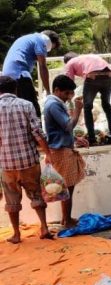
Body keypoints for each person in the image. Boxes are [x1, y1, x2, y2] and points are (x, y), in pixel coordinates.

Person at [0, 75, 54, 243]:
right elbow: (37, 132)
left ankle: (16, 234)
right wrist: (48, 154)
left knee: (12, 199)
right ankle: (44, 228)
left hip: (7, 163)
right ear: (15, 89)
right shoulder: (26, 105)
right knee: (36, 194)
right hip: (29, 161)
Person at [43, 75, 87, 228]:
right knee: (68, 187)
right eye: (67, 93)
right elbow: (68, 125)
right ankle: (67, 220)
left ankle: (66, 218)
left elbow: (62, 129)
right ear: (57, 90)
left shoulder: (54, 103)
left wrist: (75, 138)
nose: (69, 97)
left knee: (67, 187)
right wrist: (78, 110)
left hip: (62, 148)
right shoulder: (53, 105)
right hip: (61, 151)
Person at [63, 52, 111, 145]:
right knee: (107, 106)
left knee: (87, 107)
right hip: (108, 75)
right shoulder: (86, 57)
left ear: (66, 61)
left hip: (92, 77)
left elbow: (69, 83)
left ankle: (92, 139)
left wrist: (69, 101)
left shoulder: (70, 62)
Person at [2, 31, 61, 117]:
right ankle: (38, 130)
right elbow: (42, 66)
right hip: (20, 74)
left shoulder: (26, 38)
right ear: (49, 42)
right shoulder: (41, 40)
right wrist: (48, 92)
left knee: (18, 110)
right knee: (32, 110)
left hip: (7, 77)